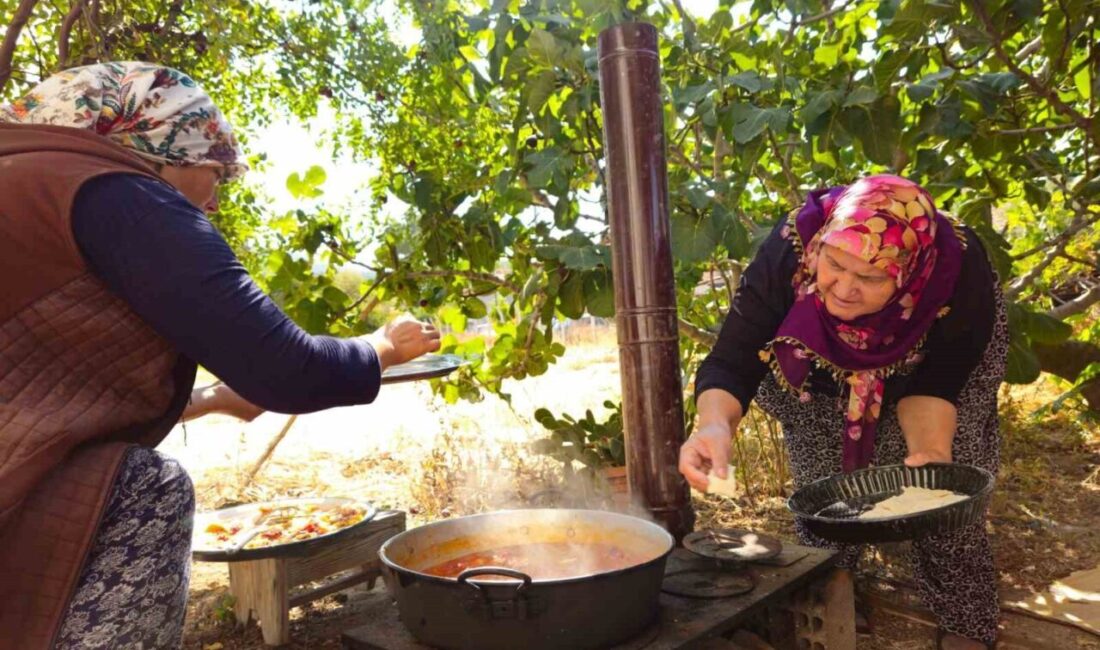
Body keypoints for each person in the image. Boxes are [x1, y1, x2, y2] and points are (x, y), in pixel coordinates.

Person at [0, 61, 440, 649]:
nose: (212, 200)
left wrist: (210, 401)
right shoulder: (112, 190)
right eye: (217, 171)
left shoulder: (23, 183)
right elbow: (290, 371)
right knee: (148, 489)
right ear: (165, 144)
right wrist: (383, 346)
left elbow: (39, 400)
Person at [679, 175, 1006, 650]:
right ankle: (833, 598)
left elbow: (938, 383)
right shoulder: (791, 249)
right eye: (833, 263)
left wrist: (932, 453)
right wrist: (712, 424)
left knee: (944, 503)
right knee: (825, 495)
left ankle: (965, 623)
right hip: (818, 375)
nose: (844, 289)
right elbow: (734, 358)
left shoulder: (957, 271)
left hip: (930, 370)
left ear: (908, 273)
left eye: (871, 277)